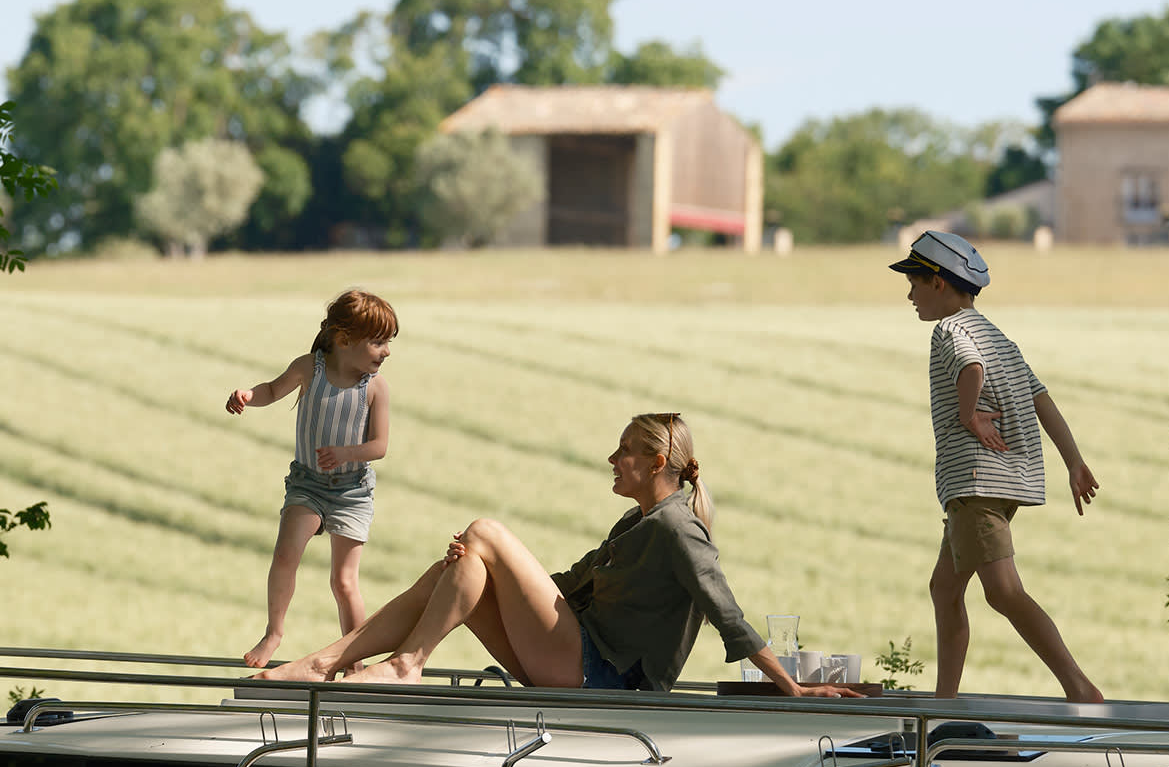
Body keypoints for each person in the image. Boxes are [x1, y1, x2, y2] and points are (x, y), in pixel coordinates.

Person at [262, 411, 848, 695]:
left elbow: (728, 612)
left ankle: (403, 663)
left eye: (624, 451)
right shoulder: (636, 520)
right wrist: (488, 564)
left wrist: (791, 686)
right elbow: (567, 584)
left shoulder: (678, 529)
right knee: (463, 562)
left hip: (602, 678)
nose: (612, 459)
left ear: (656, 462)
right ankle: (331, 660)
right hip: (573, 661)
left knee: (485, 531)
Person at [895, 227, 1105, 702]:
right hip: (1004, 481)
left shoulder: (950, 330)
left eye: (913, 282)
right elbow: (1041, 399)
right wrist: (1073, 460)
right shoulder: (997, 334)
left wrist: (968, 414)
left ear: (938, 283)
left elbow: (971, 368)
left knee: (1002, 591)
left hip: (975, 480)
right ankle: (944, 700)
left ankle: (1079, 687)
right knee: (944, 588)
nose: (909, 294)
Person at [225, 288, 398, 668]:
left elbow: (379, 446)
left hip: (352, 491)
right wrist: (247, 395)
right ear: (344, 339)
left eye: (388, 342)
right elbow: (272, 390)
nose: (386, 351)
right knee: (286, 556)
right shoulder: (310, 368)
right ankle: (274, 633)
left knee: (344, 581)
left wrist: (346, 454)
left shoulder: (376, 388)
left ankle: (354, 661)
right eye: (379, 341)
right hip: (308, 483)